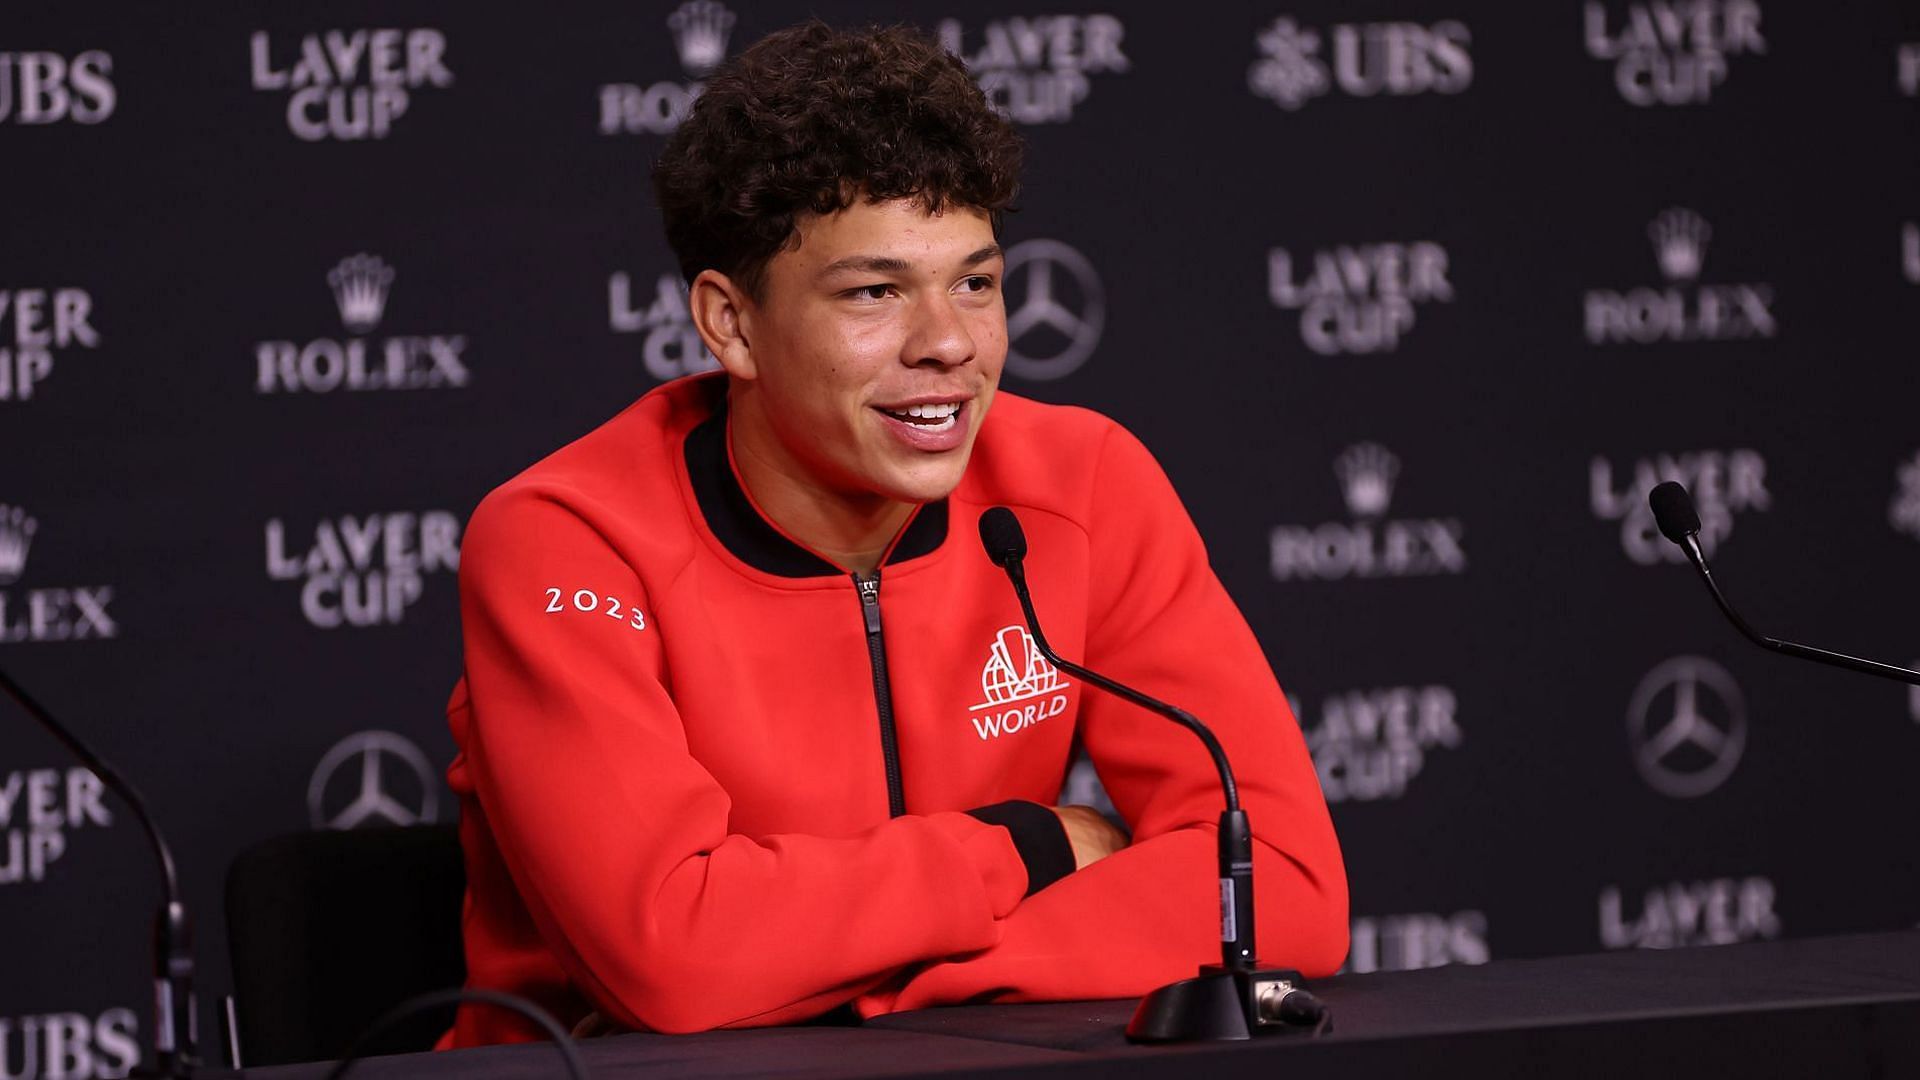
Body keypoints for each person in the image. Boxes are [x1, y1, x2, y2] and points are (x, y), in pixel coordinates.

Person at [439, 21, 1346, 1047]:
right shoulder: (565, 539)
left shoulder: (1083, 482)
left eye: (975, 281)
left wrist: (884, 995)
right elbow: (674, 956)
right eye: (874, 293)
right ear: (730, 324)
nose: (950, 342)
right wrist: (1027, 848)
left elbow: (1282, 886)